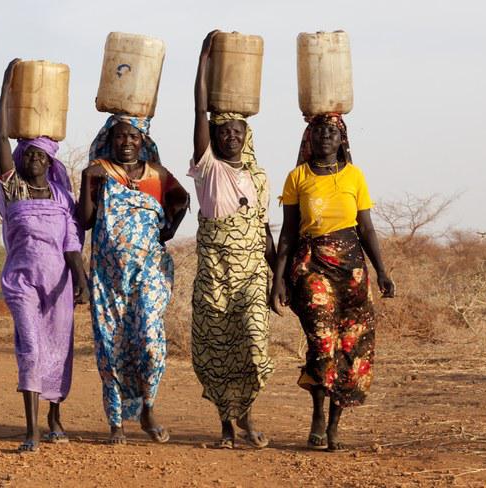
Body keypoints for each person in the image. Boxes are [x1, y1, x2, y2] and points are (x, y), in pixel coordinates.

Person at [272, 113, 396, 452]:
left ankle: (333, 425)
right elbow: (287, 232)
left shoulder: (355, 176)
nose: (325, 136)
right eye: (318, 131)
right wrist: (279, 279)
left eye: (332, 131)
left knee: (351, 346)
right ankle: (316, 413)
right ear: (308, 139)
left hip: (353, 272)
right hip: (313, 266)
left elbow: (367, 228)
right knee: (323, 342)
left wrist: (382, 271)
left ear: (343, 140)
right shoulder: (297, 177)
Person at [0, 58, 88, 452]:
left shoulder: (63, 197)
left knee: (58, 349)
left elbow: (72, 245)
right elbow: (0, 134)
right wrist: (5, 86)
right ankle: (30, 430)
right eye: (28, 154)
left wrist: (82, 282)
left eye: (40, 157)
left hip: (59, 284)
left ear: (50, 163)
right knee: (31, 346)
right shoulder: (12, 188)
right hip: (21, 281)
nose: (34, 160)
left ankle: (54, 416)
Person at [78, 113, 189, 444]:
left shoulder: (158, 174)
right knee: (111, 346)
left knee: (150, 342)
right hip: (108, 279)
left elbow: (181, 201)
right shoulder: (100, 172)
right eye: (120, 137)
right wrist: (86, 179)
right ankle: (117, 423)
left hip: (149, 274)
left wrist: (167, 230)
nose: (126, 142)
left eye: (133, 137)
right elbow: (84, 221)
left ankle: (148, 408)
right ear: (110, 140)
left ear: (144, 142)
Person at [190, 30, 277, 449]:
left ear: (247, 136)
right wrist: (204, 60)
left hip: (252, 274)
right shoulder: (208, 170)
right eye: (223, 132)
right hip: (215, 274)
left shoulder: (258, 176)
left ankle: (245, 413)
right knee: (219, 348)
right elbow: (199, 110)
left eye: (237, 133)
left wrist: (279, 276)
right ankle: (228, 427)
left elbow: (264, 226)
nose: (230, 138)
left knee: (254, 344)